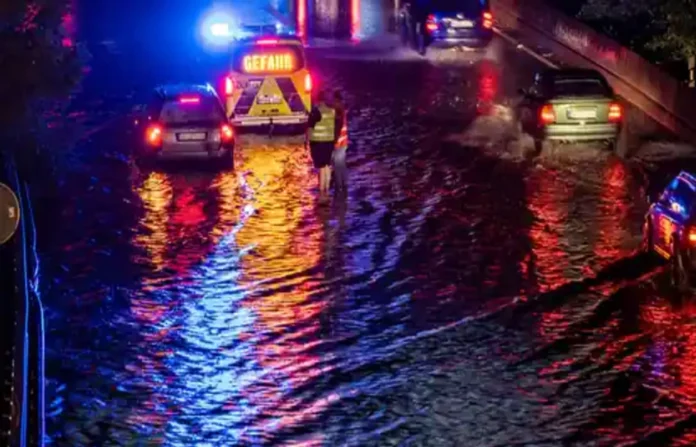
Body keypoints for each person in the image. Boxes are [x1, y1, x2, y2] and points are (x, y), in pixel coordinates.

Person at [307, 90, 336, 202]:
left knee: (321, 167)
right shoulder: (331, 111)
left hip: (318, 142)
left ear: (318, 100)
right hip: (329, 142)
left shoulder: (316, 111)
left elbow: (310, 127)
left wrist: (307, 141)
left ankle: (321, 192)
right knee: (327, 166)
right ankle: (327, 189)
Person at [332, 90, 348, 194]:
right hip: (344, 140)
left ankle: (339, 186)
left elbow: (337, 126)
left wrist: (333, 140)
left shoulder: (337, 109)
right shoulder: (343, 109)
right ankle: (344, 184)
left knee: (337, 164)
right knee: (341, 164)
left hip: (338, 141)